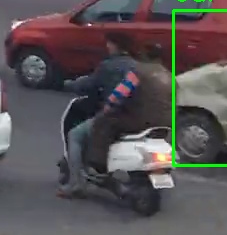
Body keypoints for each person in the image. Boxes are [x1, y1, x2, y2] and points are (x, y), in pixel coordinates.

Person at [60, 34, 167, 195]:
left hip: (136, 120)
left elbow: (117, 95)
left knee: (77, 134)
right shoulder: (167, 75)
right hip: (163, 123)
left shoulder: (135, 71)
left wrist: (107, 108)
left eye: (109, 44)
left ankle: (79, 180)